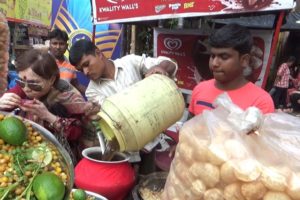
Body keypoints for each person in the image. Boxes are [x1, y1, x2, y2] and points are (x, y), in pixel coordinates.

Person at [0, 49, 99, 164]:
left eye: (33, 83)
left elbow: (76, 132)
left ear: (51, 79)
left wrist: (47, 116)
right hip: (25, 151)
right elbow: (5, 107)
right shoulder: (22, 89)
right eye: (21, 81)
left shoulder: (68, 98)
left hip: (58, 159)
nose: (26, 88)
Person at [189, 23, 274, 117]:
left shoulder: (260, 102)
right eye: (213, 56)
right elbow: (188, 127)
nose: (214, 63)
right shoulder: (200, 89)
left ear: (244, 60)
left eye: (224, 57)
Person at [69, 39, 178, 105]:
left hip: (157, 135)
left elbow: (170, 64)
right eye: (81, 70)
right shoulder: (92, 92)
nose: (86, 72)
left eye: (86, 64)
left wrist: (159, 67)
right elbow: (117, 114)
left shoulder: (130, 62)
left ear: (98, 53)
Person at [48, 29, 86, 94]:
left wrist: (92, 93)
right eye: (54, 43)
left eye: (61, 44)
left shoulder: (70, 65)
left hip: (64, 102)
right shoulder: (42, 61)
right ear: (49, 45)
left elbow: (76, 85)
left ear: (66, 46)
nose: (58, 47)